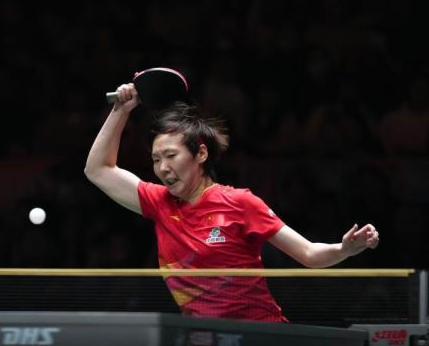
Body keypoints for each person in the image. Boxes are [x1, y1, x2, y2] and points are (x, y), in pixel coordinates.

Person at [85, 82, 380, 322]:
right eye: (155, 159)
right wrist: (121, 111)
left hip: (260, 339)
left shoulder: (240, 202)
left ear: (201, 154)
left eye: (171, 156)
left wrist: (344, 249)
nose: (162, 168)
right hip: (204, 344)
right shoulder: (159, 203)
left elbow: (309, 254)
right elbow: (97, 170)